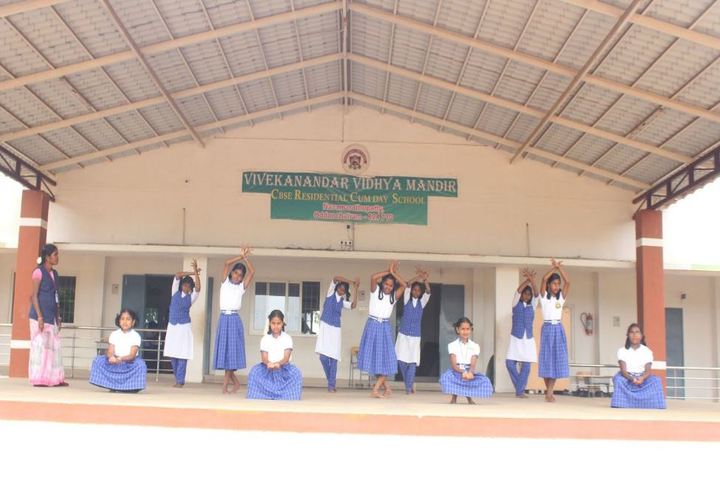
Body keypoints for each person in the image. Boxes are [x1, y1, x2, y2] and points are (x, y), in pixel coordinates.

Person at [358, 260, 407, 398]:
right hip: (372, 324)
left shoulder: (393, 297)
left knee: (387, 358)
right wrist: (389, 271)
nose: (388, 287)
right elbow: (373, 277)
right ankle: (387, 388)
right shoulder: (375, 291)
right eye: (386, 283)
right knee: (375, 358)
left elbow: (405, 285)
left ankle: (376, 388)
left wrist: (393, 274)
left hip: (384, 327)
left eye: (391, 285)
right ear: (382, 283)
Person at [214, 248, 254, 393]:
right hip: (224, 318)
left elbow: (252, 272)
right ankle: (235, 382)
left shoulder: (241, 288)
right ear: (232, 272)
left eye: (240, 275)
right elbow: (226, 263)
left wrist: (246, 260)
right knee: (225, 352)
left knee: (231, 353)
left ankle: (225, 386)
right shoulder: (224, 282)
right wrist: (240, 256)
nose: (237, 276)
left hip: (234, 319)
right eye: (236, 272)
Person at [28, 243, 67, 387]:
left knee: (54, 348)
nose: (57, 257)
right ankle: (39, 379)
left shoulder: (55, 274)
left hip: (52, 317)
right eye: (55, 254)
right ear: (47, 257)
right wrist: (39, 317)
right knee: (41, 348)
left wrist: (59, 316)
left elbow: (56, 296)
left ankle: (54, 379)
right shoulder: (38, 272)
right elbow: (33, 296)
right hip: (40, 317)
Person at [247, 310, 303, 400]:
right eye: (273, 323)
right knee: (254, 372)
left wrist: (278, 364)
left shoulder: (287, 338)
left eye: (278, 323)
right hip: (267, 368)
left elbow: (286, 357)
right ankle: (267, 395)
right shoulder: (265, 339)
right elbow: (264, 357)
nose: (276, 326)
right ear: (269, 323)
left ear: (282, 323)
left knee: (296, 374)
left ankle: (285, 395)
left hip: (284, 368)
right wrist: (269, 363)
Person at [315, 276, 358, 392]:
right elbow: (335, 277)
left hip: (335, 330)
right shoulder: (330, 294)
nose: (341, 290)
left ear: (345, 292)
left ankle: (331, 386)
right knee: (323, 357)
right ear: (337, 287)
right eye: (340, 288)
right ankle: (331, 381)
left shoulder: (343, 302)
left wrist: (356, 288)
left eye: (344, 289)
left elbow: (353, 306)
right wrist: (350, 281)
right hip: (325, 327)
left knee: (333, 358)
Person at [89, 309, 147, 393]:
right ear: (119, 321)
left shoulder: (136, 336)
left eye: (128, 319)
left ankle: (129, 387)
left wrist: (121, 358)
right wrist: (111, 357)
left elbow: (132, 355)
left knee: (141, 365)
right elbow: (110, 351)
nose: (125, 322)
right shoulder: (114, 334)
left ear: (133, 322)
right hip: (115, 361)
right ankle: (112, 385)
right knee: (97, 360)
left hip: (129, 363)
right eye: (122, 319)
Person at [610, 323, 666, 409]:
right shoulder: (622, 351)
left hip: (643, 377)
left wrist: (642, 378)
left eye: (637, 332)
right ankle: (623, 404)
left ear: (641, 335)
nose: (634, 335)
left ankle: (648, 404)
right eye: (631, 332)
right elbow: (623, 371)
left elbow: (648, 370)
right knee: (618, 380)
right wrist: (632, 379)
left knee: (656, 381)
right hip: (627, 377)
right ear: (628, 335)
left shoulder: (647, 351)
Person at [164, 259, 201, 387]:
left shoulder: (192, 297)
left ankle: (180, 381)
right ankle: (177, 379)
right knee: (172, 353)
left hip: (184, 327)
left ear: (190, 288)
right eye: (184, 284)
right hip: (172, 326)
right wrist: (191, 271)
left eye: (188, 285)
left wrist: (196, 273)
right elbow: (178, 274)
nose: (186, 287)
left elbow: (198, 288)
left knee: (182, 354)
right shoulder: (174, 292)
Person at [538, 258, 570, 402]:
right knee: (546, 359)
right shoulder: (544, 297)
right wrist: (554, 268)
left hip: (558, 328)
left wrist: (560, 269)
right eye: (554, 283)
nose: (556, 286)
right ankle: (549, 392)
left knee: (557, 359)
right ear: (549, 285)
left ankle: (549, 392)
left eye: (558, 284)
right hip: (547, 328)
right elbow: (544, 278)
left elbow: (568, 282)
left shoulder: (561, 298)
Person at [439, 317, 493, 404]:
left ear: (471, 329)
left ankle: (469, 398)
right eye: (463, 329)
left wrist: (470, 372)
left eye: (467, 329)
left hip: (469, 371)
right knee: (445, 378)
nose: (465, 331)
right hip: (456, 371)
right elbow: (454, 366)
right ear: (457, 329)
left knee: (485, 381)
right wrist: (462, 372)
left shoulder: (475, 346)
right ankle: (454, 397)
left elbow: (473, 364)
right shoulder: (452, 345)